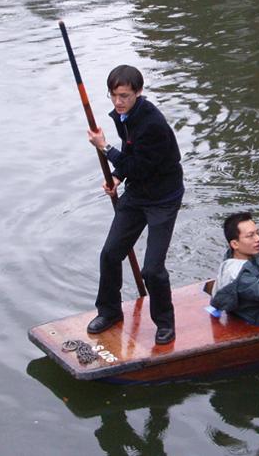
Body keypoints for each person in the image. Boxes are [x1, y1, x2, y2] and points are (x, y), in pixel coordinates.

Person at [86, 65, 183, 345]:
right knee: (109, 254)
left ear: (138, 93)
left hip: (164, 198)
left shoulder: (153, 123)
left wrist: (105, 148)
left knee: (152, 269)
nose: (118, 102)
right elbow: (130, 151)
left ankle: (165, 323)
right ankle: (109, 312)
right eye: (114, 95)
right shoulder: (123, 116)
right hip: (138, 193)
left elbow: (139, 164)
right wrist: (116, 177)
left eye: (125, 96)